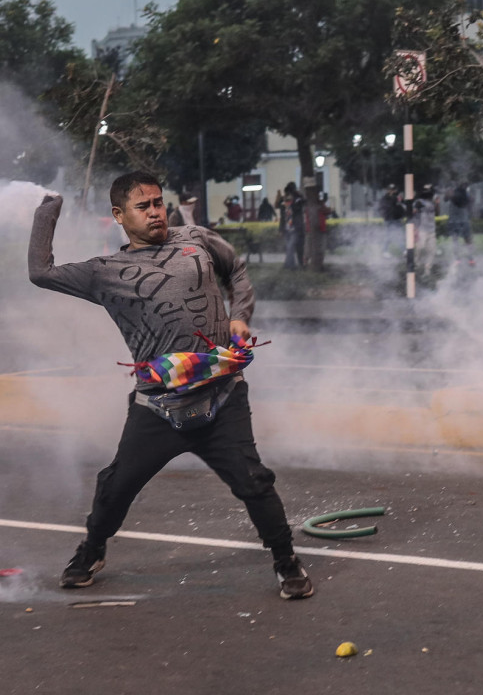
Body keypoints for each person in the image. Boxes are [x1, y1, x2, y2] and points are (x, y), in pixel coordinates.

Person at [28, 171, 313, 600]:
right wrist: (48, 209)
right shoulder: (105, 272)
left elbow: (235, 268)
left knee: (255, 482)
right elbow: (40, 272)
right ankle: (92, 550)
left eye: (158, 202)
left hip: (222, 398)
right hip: (157, 408)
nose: (156, 212)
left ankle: (286, 559)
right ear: (119, 216)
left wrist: (241, 316)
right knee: (115, 486)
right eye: (143, 207)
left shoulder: (194, 239)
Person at [445, 183, 475, 265]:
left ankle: (470, 258)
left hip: (463, 219)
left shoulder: (466, 193)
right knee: (456, 239)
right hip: (455, 220)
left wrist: (470, 214)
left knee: (467, 239)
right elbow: (446, 198)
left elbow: (471, 202)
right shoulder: (452, 190)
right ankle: (457, 259)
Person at [280, 182, 305, 270]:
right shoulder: (284, 201)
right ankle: (291, 265)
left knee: (291, 246)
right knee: (288, 247)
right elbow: (282, 216)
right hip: (287, 228)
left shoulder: (298, 200)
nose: (288, 195)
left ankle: (290, 265)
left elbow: (303, 203)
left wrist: (296, 196)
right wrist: (281, 229)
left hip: (295, 228)